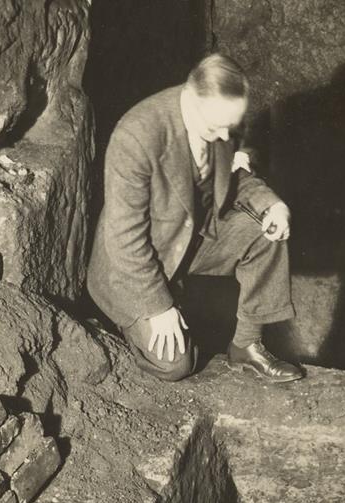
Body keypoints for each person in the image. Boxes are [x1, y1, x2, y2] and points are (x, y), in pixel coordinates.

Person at [87, 54, 304, 383]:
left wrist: (271, 204)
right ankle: (119, 323)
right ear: (190, 96)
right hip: (135, 262)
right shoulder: (136, 136)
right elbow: (124, 239)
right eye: (214, 127)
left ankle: (246, 347)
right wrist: (158, 307)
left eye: (228, 128)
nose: (222, 137)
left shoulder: (219, 119)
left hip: (190, 237)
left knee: (264, 234)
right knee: (175, 365)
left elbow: (234, 177)